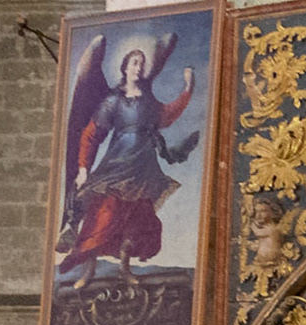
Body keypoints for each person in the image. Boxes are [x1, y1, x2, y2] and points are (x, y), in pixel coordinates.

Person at [57, 35, 200, 288]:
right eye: (134, 62)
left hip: (143, 168)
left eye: (142, 63)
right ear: (124, 67)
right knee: (102, 214)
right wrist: (82, 168)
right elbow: (91, 136)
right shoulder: (113, 101)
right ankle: (87, 273)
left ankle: (124, 269)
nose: (139, 67)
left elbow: (166, 116)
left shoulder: (147, 101)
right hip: (118, 164)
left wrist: (188, 89)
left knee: (139, 218)